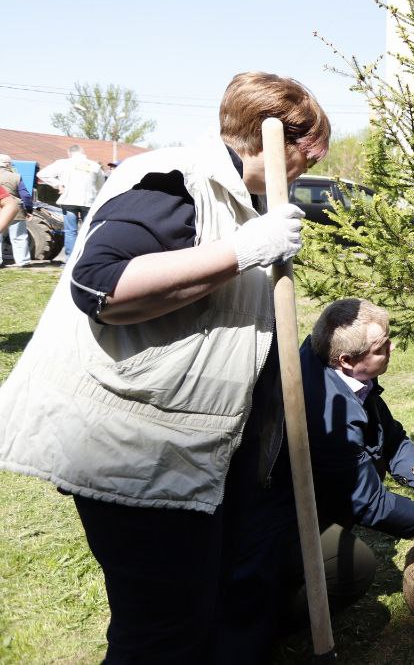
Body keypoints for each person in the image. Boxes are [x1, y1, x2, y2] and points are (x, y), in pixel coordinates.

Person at [0, 72, 330, 661]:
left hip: (190, 450)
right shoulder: (175, 180)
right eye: (310, 150)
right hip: (132, 449)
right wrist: (243, 251)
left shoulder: (241, 199)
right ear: (270, 140)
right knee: (161, 635)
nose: (313, 162)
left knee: (192, 619)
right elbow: (101, 286)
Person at [296, 298, 414, 615]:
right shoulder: (327, 416)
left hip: (319, 487)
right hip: (285, 514)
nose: (391, 348)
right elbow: (368, 502)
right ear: (347, 360)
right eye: (381, 348)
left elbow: (388, 435)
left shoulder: (339, 365)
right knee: (355, 567)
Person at [37, 143, 105, 260]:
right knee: (89, 229)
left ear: (69, 153)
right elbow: (101, 185)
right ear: (83, 153)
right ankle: (89, 257)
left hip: (69, 200)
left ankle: (70, 259)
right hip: (88, 201)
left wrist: (58, 184)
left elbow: (42, 174)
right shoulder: (94, 165)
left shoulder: (63, 163)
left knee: (70, 231)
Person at [0, 154, 30, 266]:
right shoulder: (16, 176)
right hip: (15, 210)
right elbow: (25, 195)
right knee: (19, 237)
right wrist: (29, 210)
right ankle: (23, 262)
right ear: (8, 164)